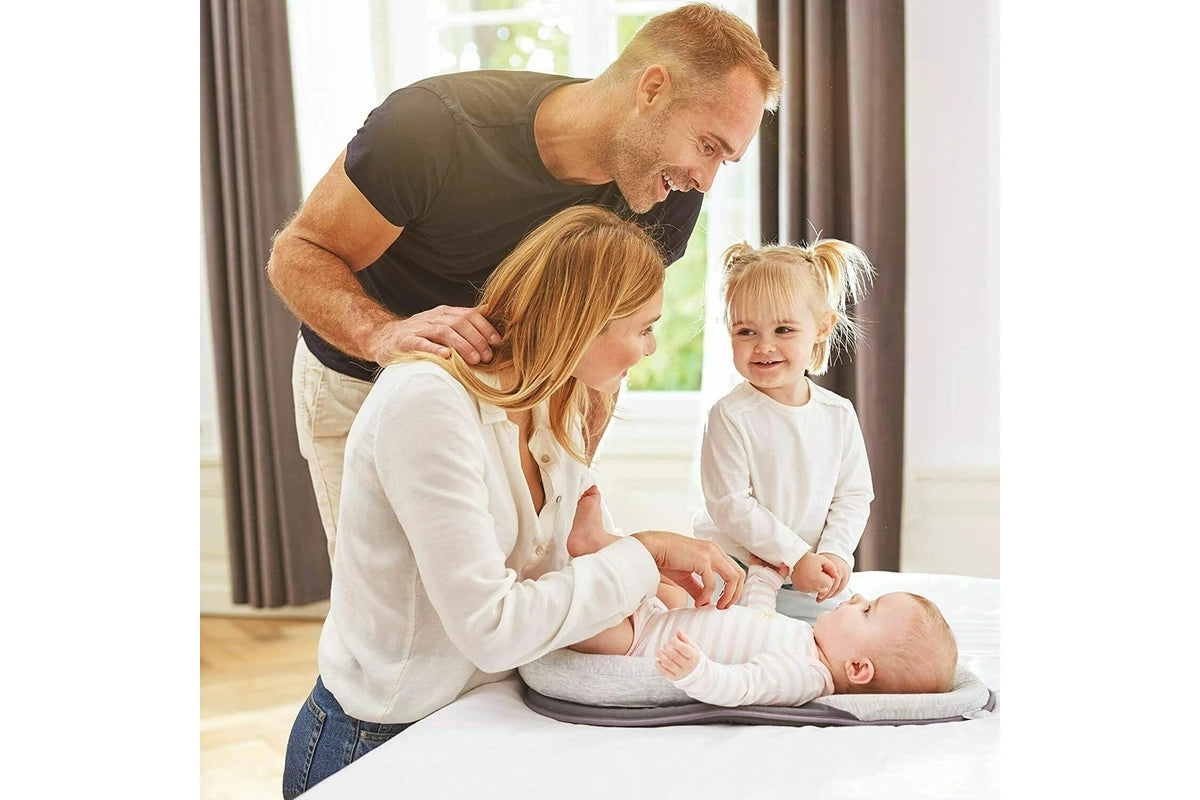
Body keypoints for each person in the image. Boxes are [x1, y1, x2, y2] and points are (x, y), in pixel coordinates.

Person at [267, 4, 783, 560]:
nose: (703, 181)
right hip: (364, 380)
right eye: (707, 145)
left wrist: (576, 490)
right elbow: (298, 254)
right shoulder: (432, 127)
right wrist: (382, 336)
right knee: (399, 606)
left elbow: (602, 350)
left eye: (722, 162)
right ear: (652, 88)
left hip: (517, 401)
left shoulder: (668, 196)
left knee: (523, 582)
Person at [281, 206, 747, 799]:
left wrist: (616, 555)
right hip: (381, 743)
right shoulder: (428, 402)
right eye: (643, 327)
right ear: (584, 323)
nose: (651, 349)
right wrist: (642, 556)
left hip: (485, 720)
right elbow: (492, 628)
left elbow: (550, 579)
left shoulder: (558, 402)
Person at [692, 238, 876, 619]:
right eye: (746, 332)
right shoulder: (730, 415)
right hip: (736, 574)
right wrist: (796, 557)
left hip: (809, 578)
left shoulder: (837, 414)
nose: (763, 346)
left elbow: (853, 496)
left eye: (783, 330)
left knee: (843, 645)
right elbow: (730, 505)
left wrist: (833, 555)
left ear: (822, 327)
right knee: (738, 640)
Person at [569, 558, 959, 707]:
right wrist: (765, 578)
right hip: (668, 616)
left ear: (857, 668)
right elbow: (758, 618)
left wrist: (697, 672)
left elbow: (743, 686)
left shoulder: (805, 676)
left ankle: (556, 584)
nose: (856, 596)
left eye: (869, 610)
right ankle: (595, 546)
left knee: (581, 620)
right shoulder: (808, 642)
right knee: (657, 575)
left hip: (642, 644)